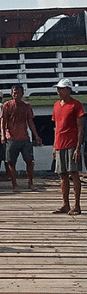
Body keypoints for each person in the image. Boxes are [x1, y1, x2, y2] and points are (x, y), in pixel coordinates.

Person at [0, 84, 43, 192]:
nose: (16, 95)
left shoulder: (27, 106)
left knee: (29, 161)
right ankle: (15, 185)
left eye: (18, 93)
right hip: (11, 137)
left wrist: (36, 135)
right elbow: (3, 121)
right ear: (11, 94)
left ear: (22, 93)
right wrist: (3, 135)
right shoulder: (7, 105)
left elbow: (30, 121)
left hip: (24, 138)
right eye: (14, 93)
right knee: (11, 162)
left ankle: (30, 182)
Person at [51, 78, 84, 215]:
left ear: (68, 90)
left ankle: (76, 205)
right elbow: (56, 127)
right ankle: (65, 204)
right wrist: (54, 145)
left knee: (74, 174)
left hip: (71, 144)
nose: (58, 91)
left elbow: (81, 128)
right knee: (62, 175)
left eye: (61, 88)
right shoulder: (56, 105)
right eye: (58, 88)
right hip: (59, 144)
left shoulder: (76, 105)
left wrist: (78, 148)